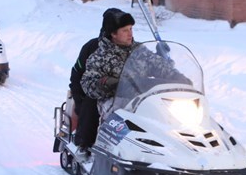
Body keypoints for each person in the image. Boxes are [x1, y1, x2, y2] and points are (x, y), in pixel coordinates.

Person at [81, 11, 189, 152]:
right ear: (113, 34)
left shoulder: (139, 51)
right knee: (125, 118)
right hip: (114, 101)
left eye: (131, 29)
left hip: (142, 99)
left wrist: (179, 78)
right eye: (125, 30)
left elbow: (158, 65)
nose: (130, 33)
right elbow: (87, 82)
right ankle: (112, 152)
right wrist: (106, 83)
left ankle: (172, 149)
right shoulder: (100, 56)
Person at [69, 8, 122, 150]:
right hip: (97, 94)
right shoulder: (91, 47)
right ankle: (84, 144)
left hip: (125, 94)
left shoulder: (131, 49)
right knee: (91, 102)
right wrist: (79, 101)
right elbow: (76, 74)